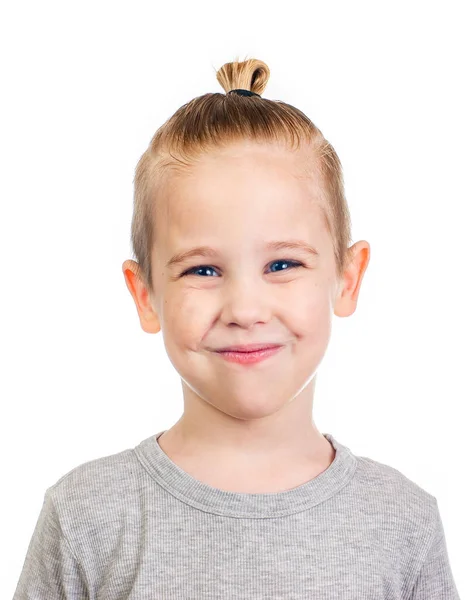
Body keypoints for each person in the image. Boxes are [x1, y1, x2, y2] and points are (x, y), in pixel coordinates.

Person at [13, 57, 460, 599]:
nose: (245, 309)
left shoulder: (403, 523)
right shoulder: (84, 517)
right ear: (145, 294)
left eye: (282, 265)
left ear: (347, 278)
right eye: (203, 269)